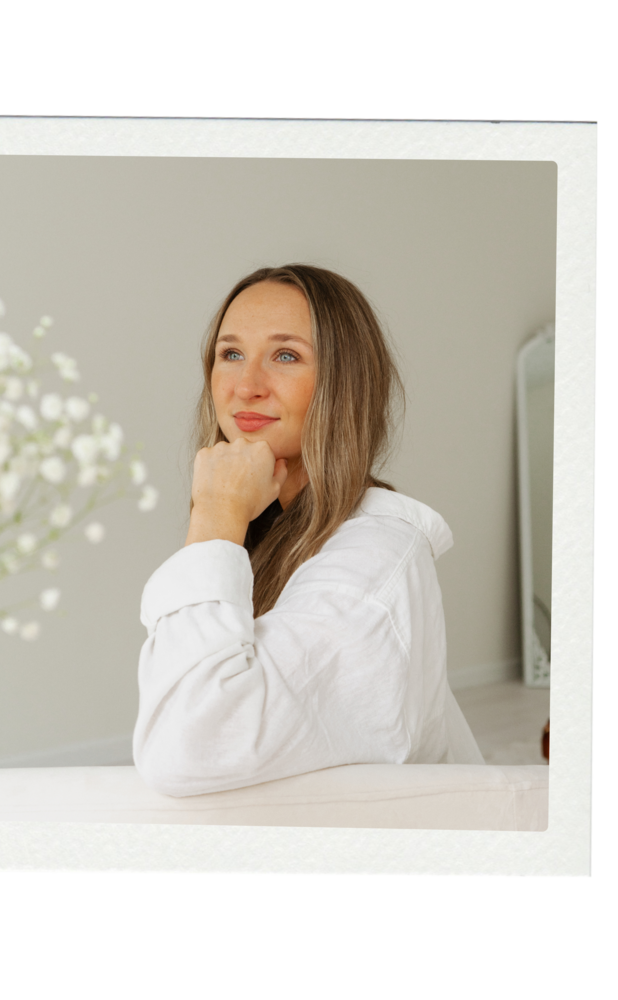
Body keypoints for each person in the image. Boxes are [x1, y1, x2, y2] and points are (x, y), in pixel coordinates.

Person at [132, 264, 484, 797]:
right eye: (231, 354)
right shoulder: (270, 531)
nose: (246, 387)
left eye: (286, 355)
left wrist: (215, 514)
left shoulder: (369, 571)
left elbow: (185, 751)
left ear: (344, 384)